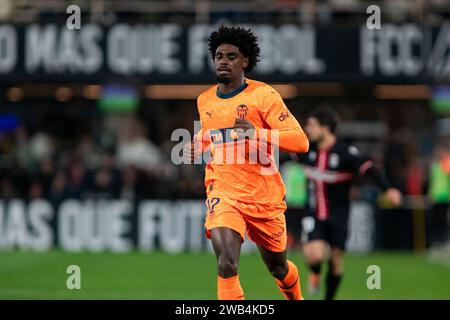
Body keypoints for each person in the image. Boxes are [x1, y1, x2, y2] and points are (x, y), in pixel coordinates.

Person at [183, 26, 309, 300]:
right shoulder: (204, 100)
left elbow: (300, 142)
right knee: (226, 263)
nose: (223, 61)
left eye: (231, 56)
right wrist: (197, 144)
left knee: (278, 267)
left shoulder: (264, 96)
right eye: (218, 56)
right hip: (223, 192)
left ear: (245, 61)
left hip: (264, 197)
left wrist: (257, 132)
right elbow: (212, 133)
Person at [291, 107, 402, 300]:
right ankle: (315, 273)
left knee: (335, 263)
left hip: (339, 215)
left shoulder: (346, 153)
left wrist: (388, 189)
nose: (308, 129)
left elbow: (370, 170)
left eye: (312, 125)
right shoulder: (306, 150)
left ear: (325, 128)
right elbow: (283, 148)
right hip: (313, 213)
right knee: (315, 256)